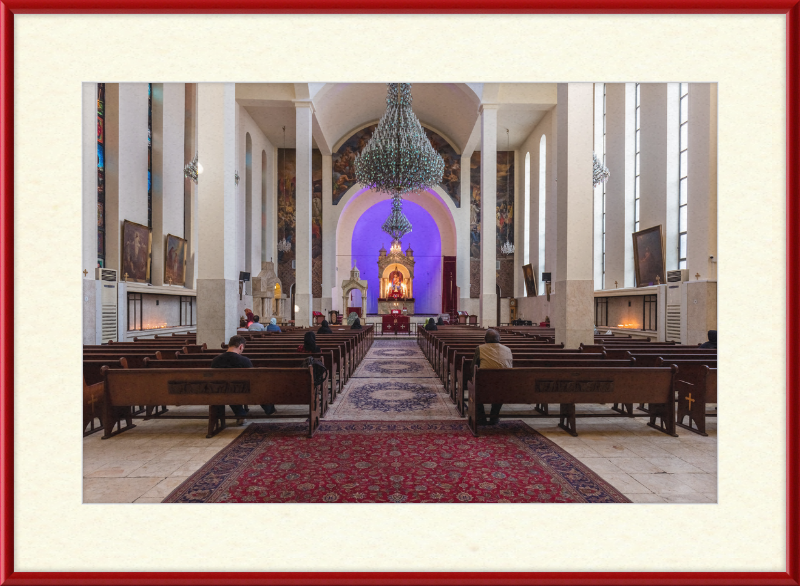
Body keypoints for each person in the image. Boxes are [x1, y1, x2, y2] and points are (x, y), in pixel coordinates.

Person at [210, 335, 276, 425]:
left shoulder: (215, 361)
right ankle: (269, 409)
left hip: (221, 391)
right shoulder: (244, 360)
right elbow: (253, 379)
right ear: (241, 346)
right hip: (244, 391)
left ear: (229, 345)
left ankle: (240, 414)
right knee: (257, 386)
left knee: (229, 388)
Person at [473, 329, 513, 425]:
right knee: (501, 384)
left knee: (475, 386)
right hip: (505, 385)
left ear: (485, 339)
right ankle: (494, 416)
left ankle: (481, 416)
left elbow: (473, 367)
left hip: (484, 385)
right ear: (499, 339)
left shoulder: (480, 349)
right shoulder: (508, 350)